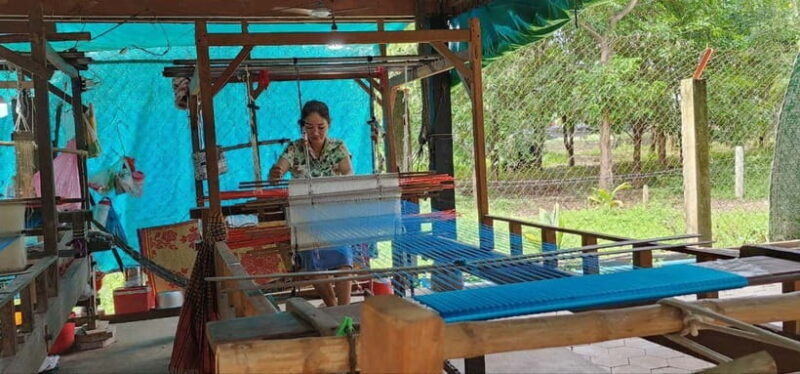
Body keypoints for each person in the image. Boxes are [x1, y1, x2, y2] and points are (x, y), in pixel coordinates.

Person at [269, 100, 354, 306]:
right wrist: (276, 173)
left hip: (334, 215)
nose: (315, 133)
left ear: (329, 125)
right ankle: (333, 307)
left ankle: (345, 309)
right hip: (306, 218)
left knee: (343, 263)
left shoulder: (338, 147)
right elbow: (277, 172)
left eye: (320, 127)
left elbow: (349, 174)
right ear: (302, 127)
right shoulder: (295, 148)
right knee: (314, 267)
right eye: (309, 127)